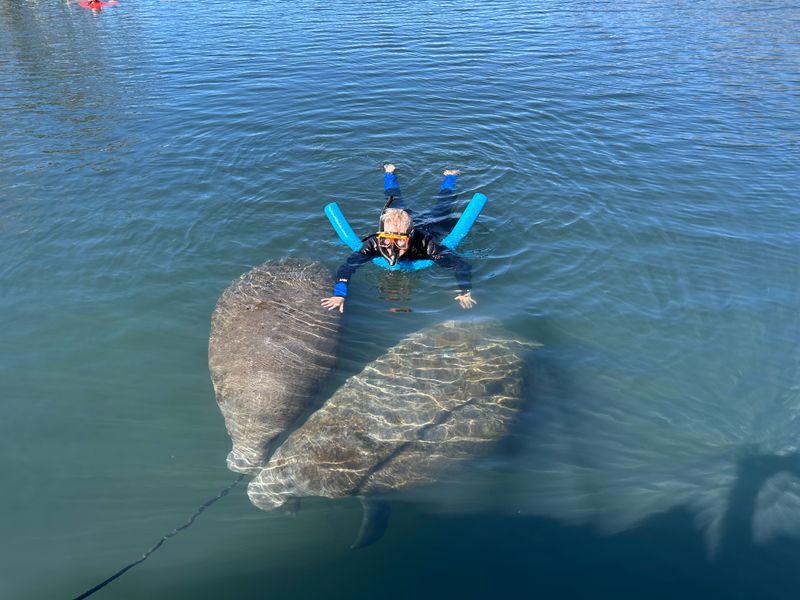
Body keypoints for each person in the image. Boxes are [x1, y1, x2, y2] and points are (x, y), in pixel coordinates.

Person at [321, 164, 477, 313]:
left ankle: (450, 177)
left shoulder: (426, 245)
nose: (391, 248)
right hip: (401, 221)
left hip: (430, 227)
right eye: (386, 241)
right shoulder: (374, 244)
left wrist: (464, 290)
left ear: (409, 237)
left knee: (444, 207)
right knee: (393, 199)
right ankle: (389, 173)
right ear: (381, 235)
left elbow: (460, 265)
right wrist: (339, 294)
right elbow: (347, 267)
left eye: (400, 242)